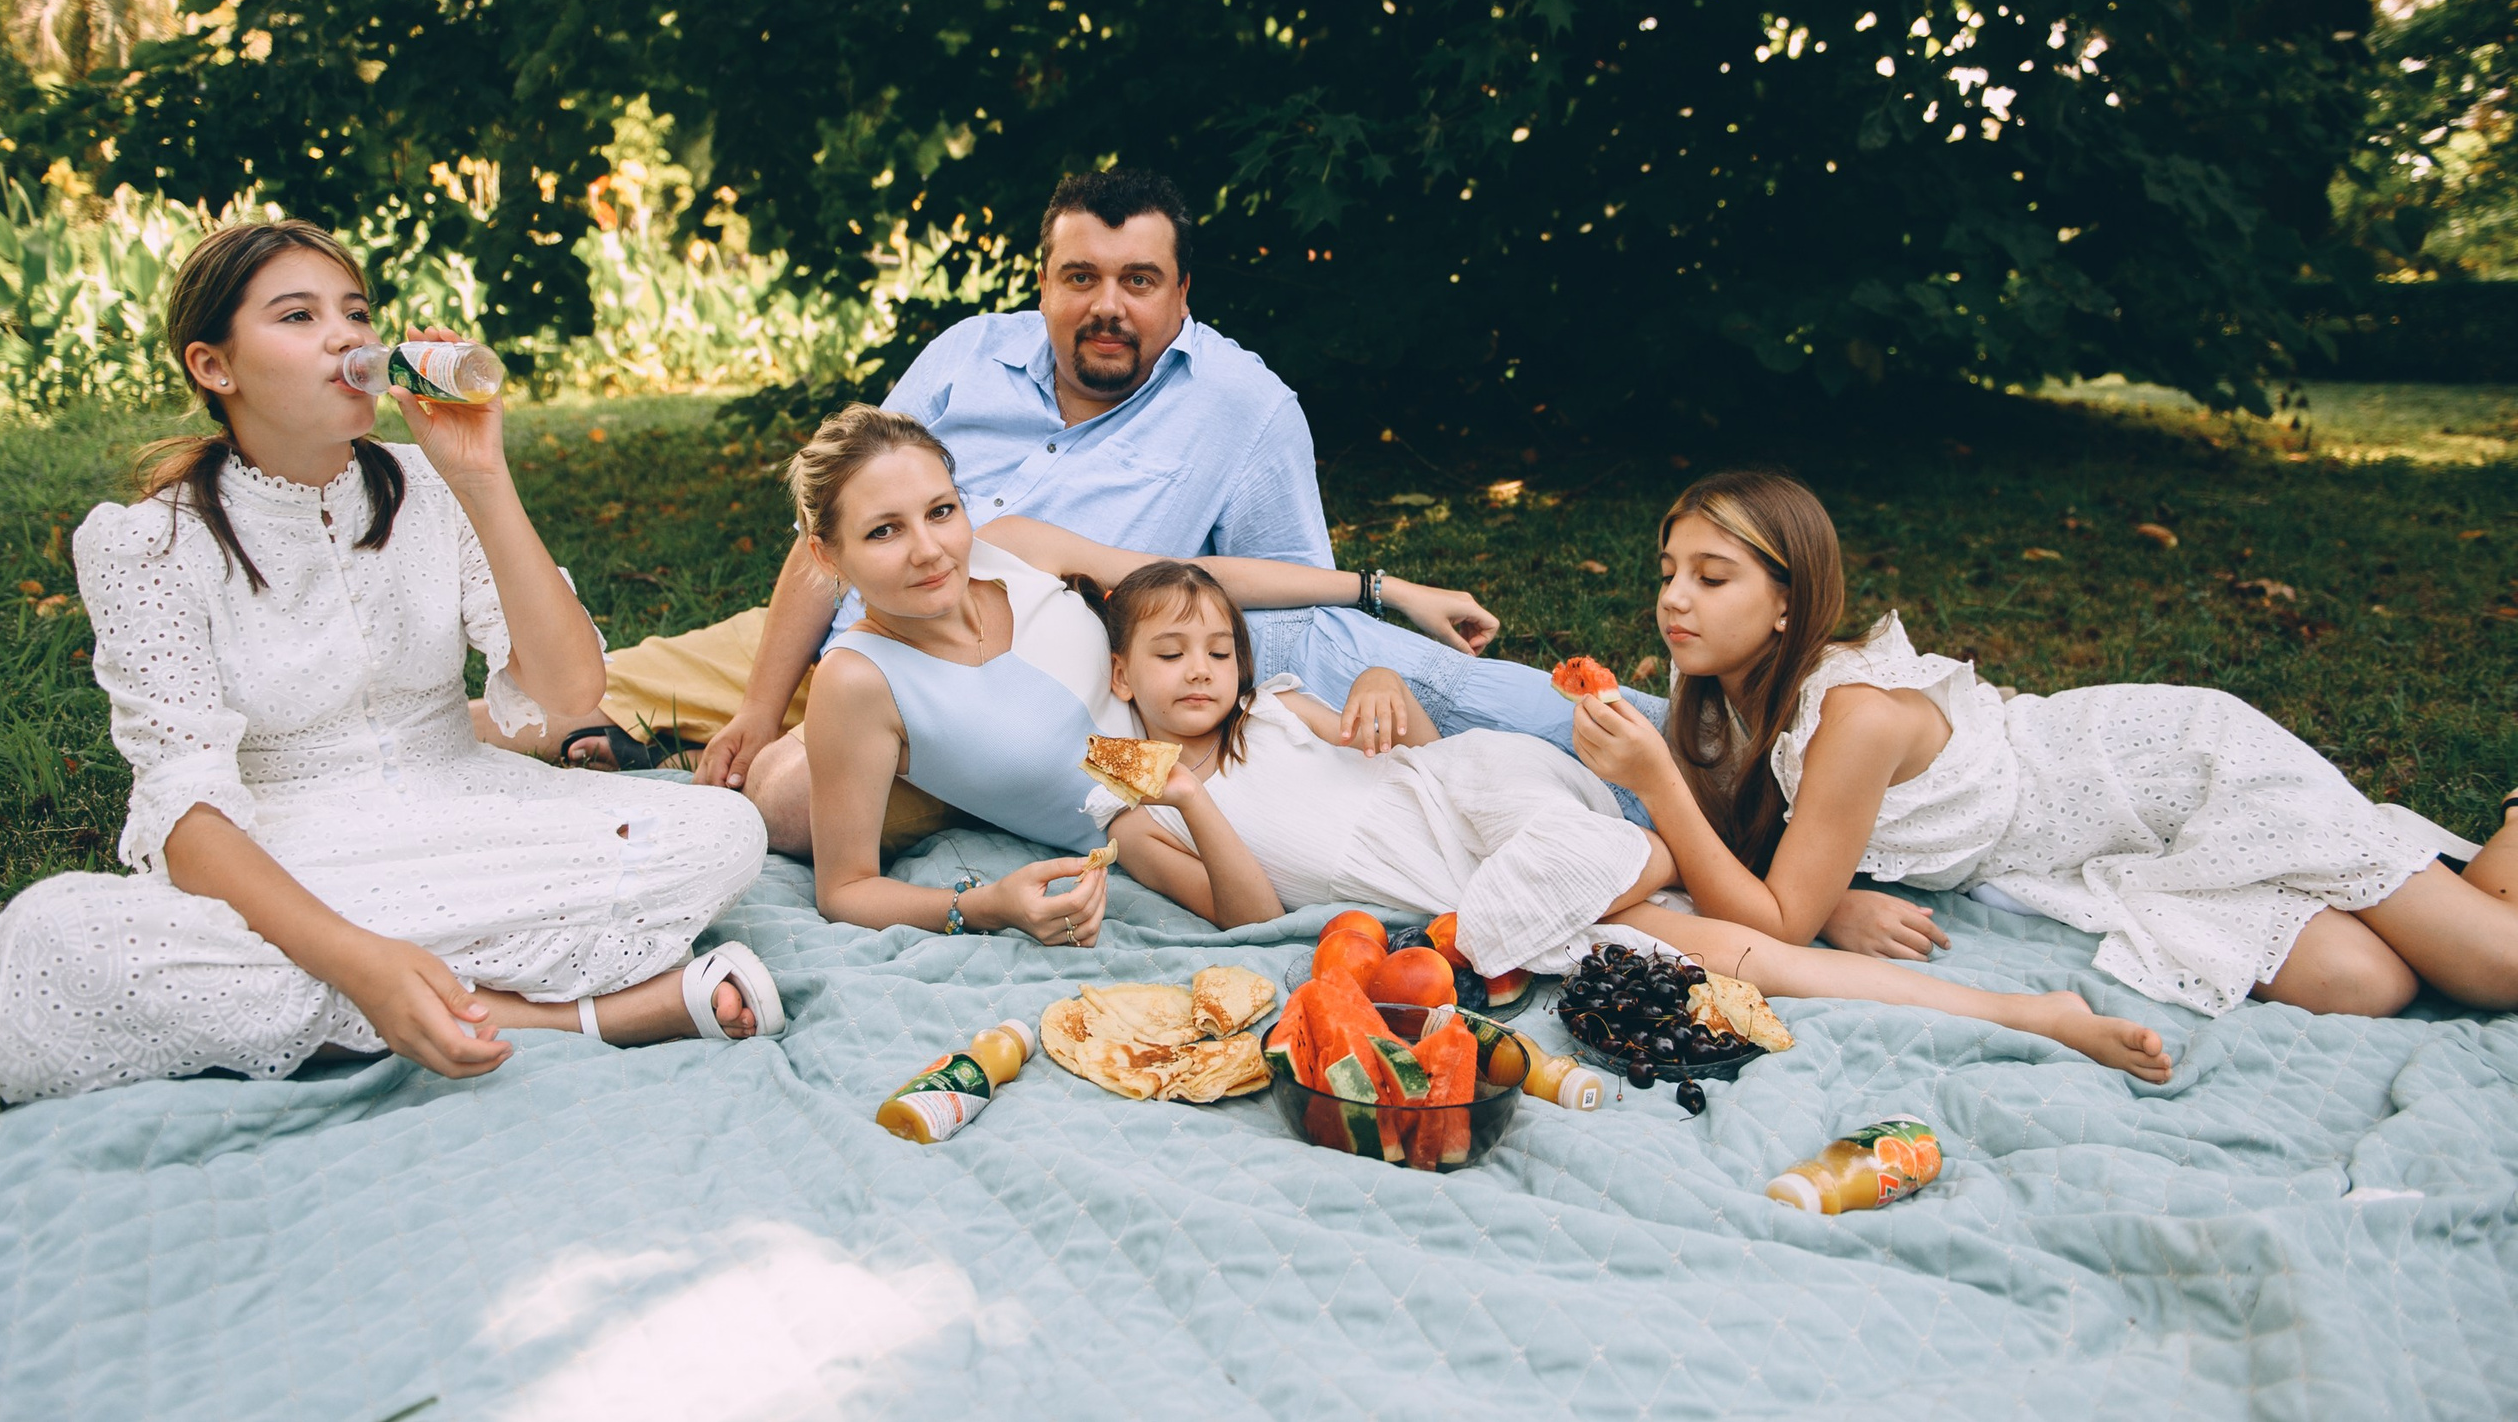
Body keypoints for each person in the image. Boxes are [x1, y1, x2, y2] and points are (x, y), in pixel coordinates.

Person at [485, 167, 1666, 851]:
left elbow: (1256, 604)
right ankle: (400, 793)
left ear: (1182, 296)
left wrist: (1378, 606)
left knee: (780, 809)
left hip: (987, 692)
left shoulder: (1244, 406)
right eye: (1080, 278)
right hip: (838, 626)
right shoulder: (961, 357)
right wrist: (749, 699)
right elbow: (831, 529)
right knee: (555, 703)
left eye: (1139, 282)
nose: (1107, 306)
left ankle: (1697, 760)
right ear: (1041, 280)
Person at [0, 223, 778, 1120]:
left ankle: (366, 1004)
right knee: (63, 942)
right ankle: (579, 1016)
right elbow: (187, 818)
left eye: (355, 312)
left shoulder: (431, 487)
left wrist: (484, 477)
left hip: (467, 812)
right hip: (282, 850)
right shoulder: (147, 543)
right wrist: (358, 958)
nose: (347, 337)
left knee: (721, 832)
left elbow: (569, 696)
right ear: (214, 366)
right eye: (299, 316)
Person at [1080, 560, 2175, 1081]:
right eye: (1171, 654)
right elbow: (1245, 914)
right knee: (1728, 951)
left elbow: (1403, 737)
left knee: (1569, 898)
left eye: (1220, 648)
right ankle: (2024, 1011)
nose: (1202, 670)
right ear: (1121, 672)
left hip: (1478, 795)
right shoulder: (1131, 807)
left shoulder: (1275, 708)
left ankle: (1661, 851)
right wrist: (1182, 795)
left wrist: (1376, 682)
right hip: (1482, 883)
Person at [1567, 469, 2518, 1020]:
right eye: (1669, 572)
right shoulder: (1722, 703)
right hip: (2099, 855)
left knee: (2497, 969)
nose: (1675, 599)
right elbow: (1771, 870)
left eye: (1713, 576)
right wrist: (1839, 897)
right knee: (2370, 985)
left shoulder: (1851, 713)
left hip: (2165, 774)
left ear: (1787, 601)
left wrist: (1660, 786)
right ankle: (2423, 869)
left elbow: (1770, 920)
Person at [782, 405, 1496, 943]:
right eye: (884, 530)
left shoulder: (1015, 548)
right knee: (1438, 874)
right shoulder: (857, 683)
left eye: (942, 511)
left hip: (1240, 709)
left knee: (1487, 764)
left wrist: (1385, 589)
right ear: (826, 555)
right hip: (1161, 815)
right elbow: (845, 890)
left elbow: (1188, 582)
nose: (930, 550)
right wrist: (987, 906)